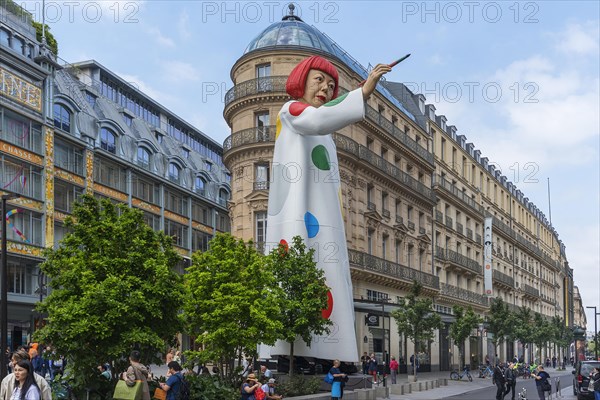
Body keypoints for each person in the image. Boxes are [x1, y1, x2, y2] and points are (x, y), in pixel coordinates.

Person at [265, 55, 391, 362]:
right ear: (302, 80)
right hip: (297, 208)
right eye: (319, 80)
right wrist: (363, 92)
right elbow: (317, 119)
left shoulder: (325, 135)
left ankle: (327, 353)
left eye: (331, 84)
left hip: (322, 216)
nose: (326, 87)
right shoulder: (293, 109)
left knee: (327, 275)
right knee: (301, 265)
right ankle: (291, 353)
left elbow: (323, 122)